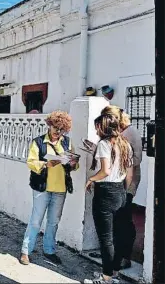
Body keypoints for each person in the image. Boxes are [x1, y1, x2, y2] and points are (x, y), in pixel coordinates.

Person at [20, 110, 79, 266]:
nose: (58, 133)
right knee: (35, 221)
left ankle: (50, 250)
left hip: (60, 188)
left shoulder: (67, 143)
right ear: (49, 125)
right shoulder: (38, 142)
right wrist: (46, 164)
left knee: (53, 221)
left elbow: (74, 165)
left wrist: (73, 164)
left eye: (61, 130)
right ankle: (26, 251)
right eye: (55, 129)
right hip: (42, 188)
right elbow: (31, 162)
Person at [84, 114, 133, 284]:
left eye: (97, 126)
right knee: (117, 235)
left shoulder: (105, 144)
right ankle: (114, 273)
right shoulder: (125, 144)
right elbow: (129, 174)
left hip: (105, 192)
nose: (96, 130)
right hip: (120, 191)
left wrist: (91, 179)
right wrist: (123, 193)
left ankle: (106, 278)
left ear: (104, 127)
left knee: (106, 238)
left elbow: (105, 171)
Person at [100, 105, 142, 268]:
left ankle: (125, 257)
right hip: (117, 182)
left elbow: (136, 160)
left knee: (124, 220)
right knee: (116, 220)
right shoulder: (119, 133)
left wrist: (118, 158)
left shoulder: (131, 133)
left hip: (127, 183)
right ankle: (115, 255)